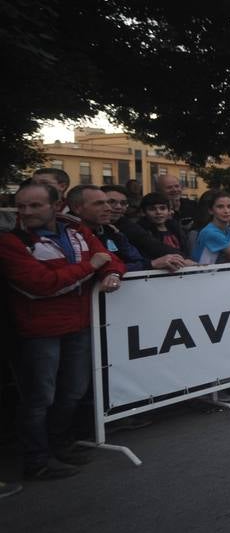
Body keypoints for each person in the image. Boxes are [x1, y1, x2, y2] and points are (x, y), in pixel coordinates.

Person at [0, 182, 126, 480]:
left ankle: (59, 444)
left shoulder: (77, 230)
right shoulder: (10, 241)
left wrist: (109, 273)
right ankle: (37, 459)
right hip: (39, 331)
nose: (26, 212)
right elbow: (40, 285)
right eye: (21, 206)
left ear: (56, 207)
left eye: (35, 206)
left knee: (73, 391)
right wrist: (91, 267)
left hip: (79, 324)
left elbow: (110, 260)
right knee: (40, 397)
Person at [101, 185, 189, 271]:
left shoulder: (125, 226)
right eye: (111, 202)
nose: (118, 207)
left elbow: (139, 255)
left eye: (123, 203)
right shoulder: (92, 230)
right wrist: (151, 264)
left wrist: (184, 259)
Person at [190, 190, 230, 266]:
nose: (226, 211)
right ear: (211, 211)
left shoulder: (228, 230)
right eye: (220, 207)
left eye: (229, 206)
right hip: (203, 275)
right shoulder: (210, 232)